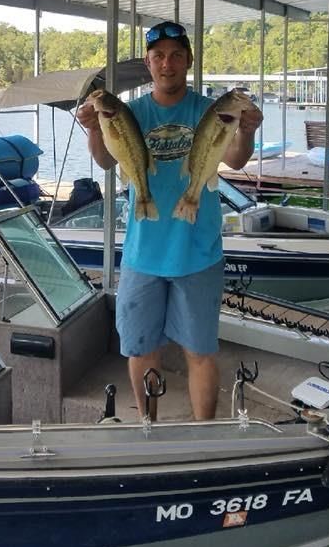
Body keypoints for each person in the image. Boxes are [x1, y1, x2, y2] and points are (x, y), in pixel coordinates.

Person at [77, 21, 262, 421]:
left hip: (199, 252)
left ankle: (204, 433)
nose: (168, 63)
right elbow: (107, 160)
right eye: (159, 56)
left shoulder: (207, 110)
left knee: (200, 351)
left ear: (188, 61)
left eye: (176, 55)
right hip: (142, 254)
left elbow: (235, 159)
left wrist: (245, 133)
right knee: (142, 349)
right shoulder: (132, 112)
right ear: (148, 63)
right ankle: (149, 425)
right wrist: (95, 129)